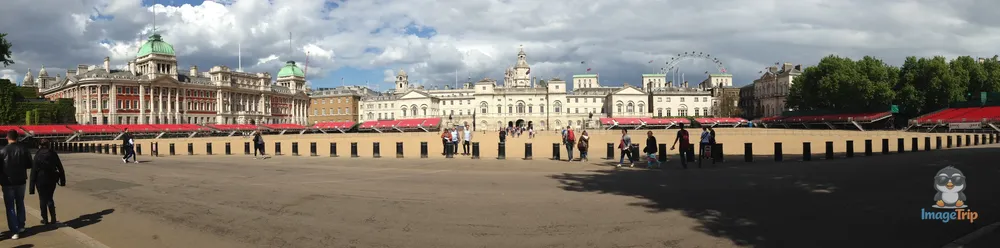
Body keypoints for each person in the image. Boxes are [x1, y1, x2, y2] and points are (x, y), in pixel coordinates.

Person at [0, 130, 32, 239]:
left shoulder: (2, 151)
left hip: (7, 182)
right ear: (17, 137)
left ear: (7, 138)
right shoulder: (23, 149)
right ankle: (21, 225)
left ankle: (14, 230)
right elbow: (29, 164)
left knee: (10, 207)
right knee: (20, 202)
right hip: (21, 180)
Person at [29, 139, 65, 225]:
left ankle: (45, 219)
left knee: (42, 199)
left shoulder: (37, 155)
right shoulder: (53, 154)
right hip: (51, 178)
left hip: (40, 179)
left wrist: (31, 187)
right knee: (50, 198)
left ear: (40, 145)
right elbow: (60, 167)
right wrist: (62, 180)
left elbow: (33, 171)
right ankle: (53, 218)